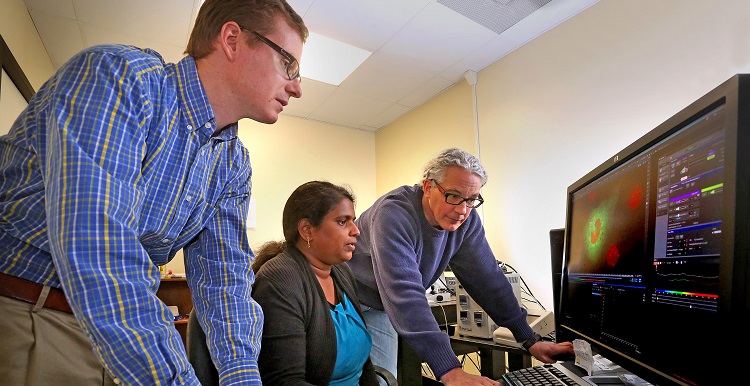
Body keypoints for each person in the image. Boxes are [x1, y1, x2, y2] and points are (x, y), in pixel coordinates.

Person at [0, 0, 307, 384]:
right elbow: (98, 246)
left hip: (125, 331)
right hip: (29, 313)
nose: (296, 87)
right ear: (232, 39)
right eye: (288, 64)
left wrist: (242, 378)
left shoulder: (233, 163)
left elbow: (224, 281)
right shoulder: (119, 78)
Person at [348, 147, 575, 386]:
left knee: (380, 382)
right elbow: (405, 293)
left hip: (381, 306)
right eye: (454, 196)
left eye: (471, 199)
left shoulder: (466, 222)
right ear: (428, 187)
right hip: (347, 300)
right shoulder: (393, 213)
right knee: (344, 376)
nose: (462, 210)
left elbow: (488, 279)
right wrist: (450, 370)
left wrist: (529, 339)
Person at [251, 181, 379, 385]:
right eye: (342, 222)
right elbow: (285, 381)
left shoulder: (341, 272)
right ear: (307, 230)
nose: (356, 230)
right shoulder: (279, 281)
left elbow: (364, 366)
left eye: (353, 220)